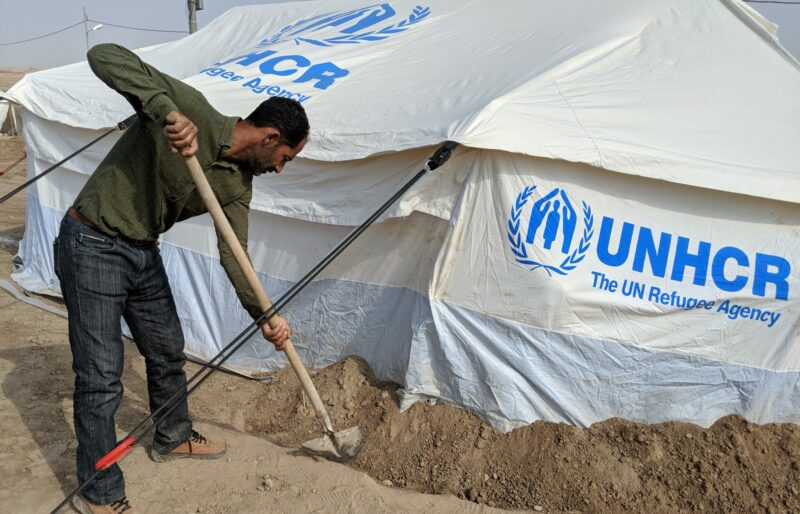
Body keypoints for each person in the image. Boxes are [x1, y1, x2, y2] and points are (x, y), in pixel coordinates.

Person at [53, 43, 308, 514]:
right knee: (101, 377)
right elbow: (102, 54)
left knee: (168, 348)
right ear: (270, 137)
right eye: (285, 158)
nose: (278, 168)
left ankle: (171, 436)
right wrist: (164, 110)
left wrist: (266, 317)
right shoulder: (191, 109)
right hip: (90, 242)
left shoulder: (236, 184)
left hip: (142, 250)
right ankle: (100, 488)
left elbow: (237, 257)